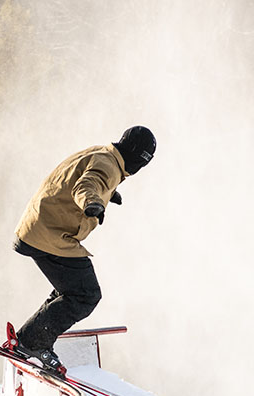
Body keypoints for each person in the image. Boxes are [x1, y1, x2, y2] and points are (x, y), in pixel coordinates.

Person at [12, 125, 156, 372]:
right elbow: (86, 185)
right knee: (86, 294)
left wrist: (109, 193)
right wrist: (93, 202)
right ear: (135, 155)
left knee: (70, 289)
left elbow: (84, 177)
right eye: (141, 162)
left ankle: (31, 338)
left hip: (40, 227)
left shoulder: (104, 155)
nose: (139, 169)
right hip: (50, 234)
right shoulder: (109, 166)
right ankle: (32, 341)